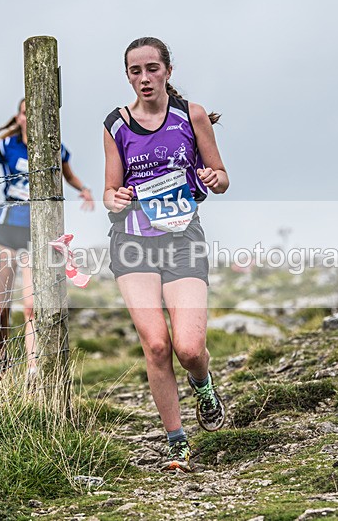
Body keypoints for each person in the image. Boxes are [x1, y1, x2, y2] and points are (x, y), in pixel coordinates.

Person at [103, 37, 230, 472]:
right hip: (133, 241)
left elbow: (223, 176)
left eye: (152, 69)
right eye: (135, 71)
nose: (144, 78)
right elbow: (109, 191)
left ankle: (204, 384)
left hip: (182, 241)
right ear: (127, 77)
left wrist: (214, 177)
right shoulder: (115, 124)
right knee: (156, 344)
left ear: (168, 72)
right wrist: (114, 198)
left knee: (189, 347)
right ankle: (177, 443)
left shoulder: (191, 115)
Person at [0, 98, 94, 385]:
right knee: (1, 306)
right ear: (19, 117)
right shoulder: (6, 146)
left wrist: (84, 189)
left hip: (38, 232)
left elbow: (68, 175)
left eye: (33, 113)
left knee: (32, 305)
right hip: (6, 229)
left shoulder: (54, 148)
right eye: (25, 113)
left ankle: (33, 369)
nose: (28, 118)